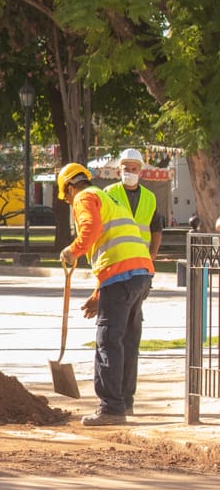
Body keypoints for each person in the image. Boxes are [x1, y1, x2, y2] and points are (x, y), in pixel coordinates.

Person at [57, 163, 154, 426]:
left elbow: (90, 229)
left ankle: (111, 408)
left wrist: (72, 250)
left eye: (66, 196)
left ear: (70, 186)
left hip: (121, 276)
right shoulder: (108, 197)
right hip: (141, 274)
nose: (68, 201)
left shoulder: (84, 197)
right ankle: (124, 401)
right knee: (127, 341)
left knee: (108, 340)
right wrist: (98, 293)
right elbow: (117, 246)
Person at [105, 148, 163, 259]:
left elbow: (156, 227)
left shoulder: (149, 197)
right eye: (126, 169)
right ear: (119, 171)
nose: (130, 172)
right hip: (115, 258)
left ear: (140, 171)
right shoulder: (109, 193)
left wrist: (153, 254)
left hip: (141, 258)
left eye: (134, 169)